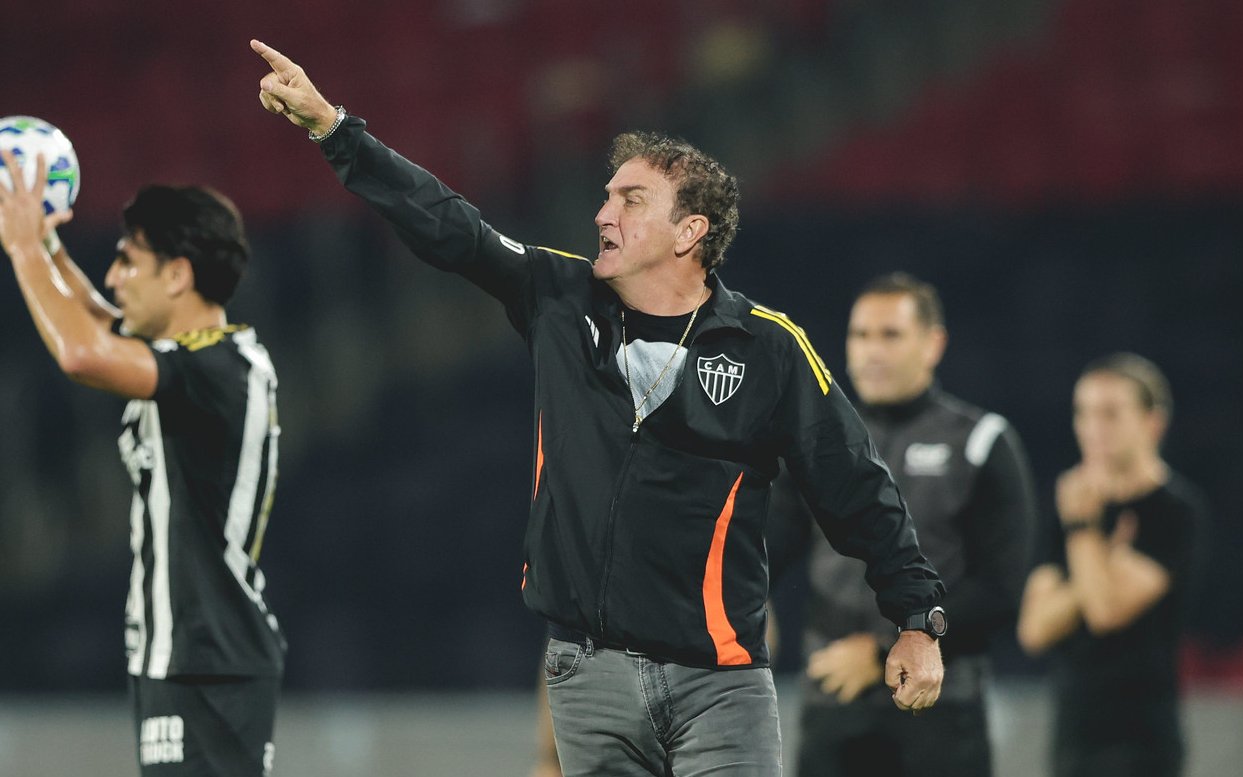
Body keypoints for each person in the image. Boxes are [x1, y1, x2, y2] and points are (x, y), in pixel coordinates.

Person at [251, 39, 945, 776]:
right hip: (587, 678)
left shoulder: (767, 348)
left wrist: (914, 618)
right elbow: (450, 227)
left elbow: (854, 484)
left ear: (689, 232)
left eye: (629, 200)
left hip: (720, 681)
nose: (601, 213)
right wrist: (333, 128)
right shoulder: (557, 297)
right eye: (608, 195)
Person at [0, 152, 285, 776]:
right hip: (183, 655)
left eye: (129, 259)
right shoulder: (198, 358)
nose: (113, 275)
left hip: (209, 659)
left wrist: (22, 249)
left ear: (178, 275)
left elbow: (82, 352)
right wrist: (46, 243)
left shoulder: (221, 370)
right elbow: (99, 320)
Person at [785, 272, 1037, 777]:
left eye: (890, 335)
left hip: (938, 709)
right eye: (860, 335)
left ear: (933, 343)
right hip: (833, 702)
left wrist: (882, 648)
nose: (871, 351)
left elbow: (1000, 590)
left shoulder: (981, 442)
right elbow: (768, 544)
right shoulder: (817, 442)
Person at [1017, 353, 1204, 777]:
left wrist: (1083, 529)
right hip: (1072, 739)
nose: (1093, 429)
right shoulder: (1065, 505)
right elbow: (1034, 629)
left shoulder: (1174, 512)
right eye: (1083, 413)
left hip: (1143, 745)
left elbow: (1105, 613)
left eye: (1111, 414)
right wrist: (1104, 562)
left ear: (1152, 422)